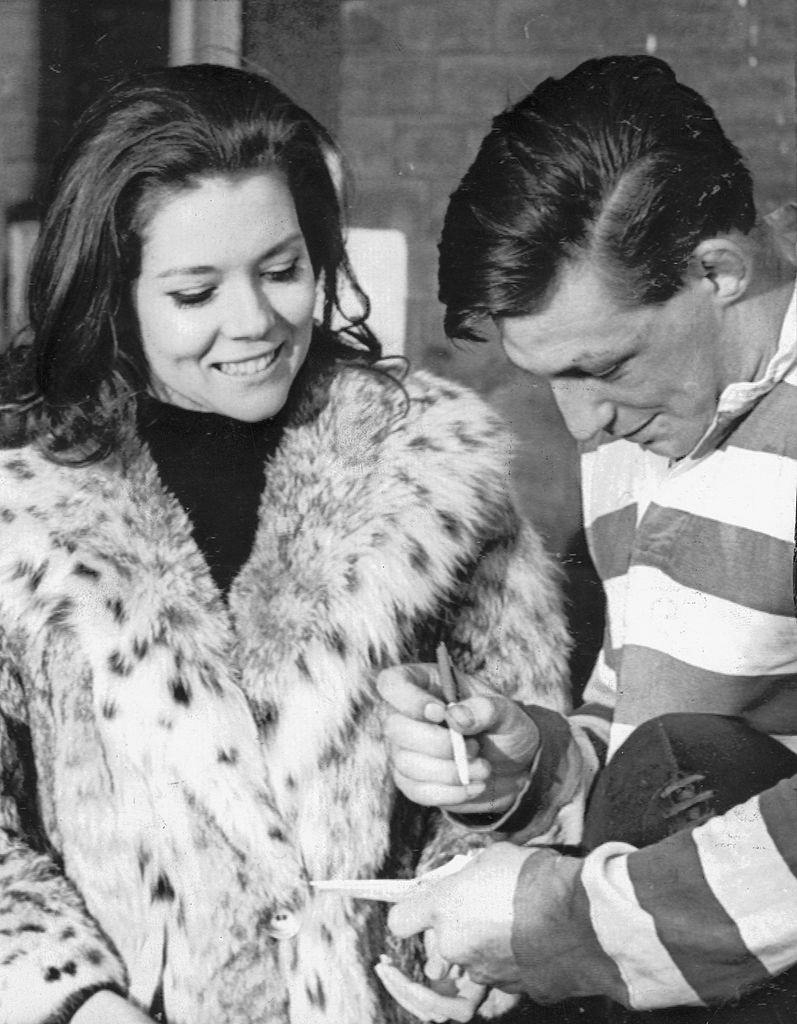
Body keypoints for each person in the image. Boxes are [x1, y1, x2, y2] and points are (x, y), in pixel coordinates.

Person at [0, 64, 574, 1024]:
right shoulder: (22, 505)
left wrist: (462, 946)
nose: (255, 322)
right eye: (194, 292)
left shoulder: (433, 477)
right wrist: (73, 1001)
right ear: (114, 294)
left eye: (282, 270)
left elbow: (526, 775)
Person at [378, 54, 797, 1023]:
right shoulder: (636, 427)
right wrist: (532, 767)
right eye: (552, 378)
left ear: (715, 270)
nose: (578, 425)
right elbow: (645, 777)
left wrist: (559, 927)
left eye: (602, 364)